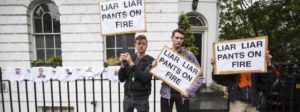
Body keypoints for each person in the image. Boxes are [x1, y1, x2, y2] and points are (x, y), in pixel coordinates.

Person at [152, 28, 203, 112]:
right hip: (166, 94)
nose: (179, 40)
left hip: (183, 95)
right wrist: (154, 67)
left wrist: (189, 91)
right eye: (177, 37)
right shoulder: (166, 54)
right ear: (172, 38)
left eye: (181, 38)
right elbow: (157, 76)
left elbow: (200, 77)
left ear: (183, 40)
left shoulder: (189, 55)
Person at [212, 51, 277, 112]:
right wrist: (216, 67)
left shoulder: (257, 65)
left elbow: (270, 79)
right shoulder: (232, 66)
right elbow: (218, 78)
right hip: (236, 102)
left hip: (254, 103)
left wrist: (269, 64)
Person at [118, 35, 154, 112]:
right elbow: (121, 79)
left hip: (142, 98)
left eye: (143, 44)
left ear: (147, 45)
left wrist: (131, 64)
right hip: (128, 97)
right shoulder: (130, 58)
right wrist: (123, 66)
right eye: (139, 43)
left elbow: (146, 78)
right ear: (135, 45)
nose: (141, 45)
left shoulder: (150, 61)